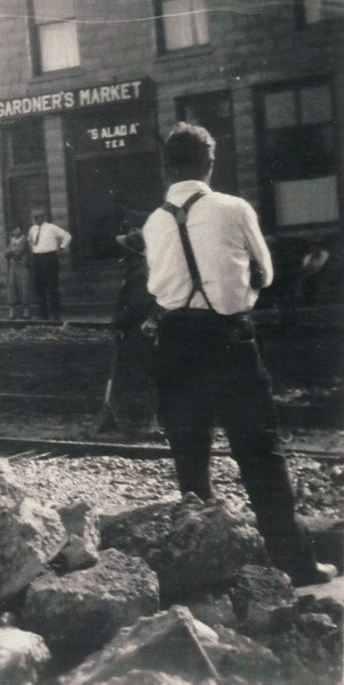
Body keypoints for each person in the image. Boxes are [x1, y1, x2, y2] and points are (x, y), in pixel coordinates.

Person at [142, 122, 335, 586]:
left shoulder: (154, 221)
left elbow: (161, 283)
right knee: (259, 452)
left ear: (168, 167)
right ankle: (294, 562)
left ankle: (207, 564)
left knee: (190, 451)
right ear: (210, 163)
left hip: (173, 345)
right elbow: (265, 274)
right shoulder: (233, 208)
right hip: (227, 341)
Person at [101, 228, 157, 437]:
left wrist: (118, 323)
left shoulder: (140, 274)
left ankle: (144, 423)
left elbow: (136, 307)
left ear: (132, 252)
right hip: (130, 332)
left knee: (140, 376)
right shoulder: (134, 271)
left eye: (125, 249)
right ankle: (131, 420)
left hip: (137, 334)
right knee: (129, 376)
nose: (121, 253)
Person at [28, 208, 71, 321]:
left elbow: (67, 236)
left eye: (39, 217)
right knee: (39, 287)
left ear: (44, 217)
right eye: (35, 218)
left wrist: (61, 248)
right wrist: (34, 249)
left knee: (52, 287)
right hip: (37, 259)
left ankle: (56, 315)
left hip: (49, 258)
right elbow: (30, 241)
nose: (37, 220)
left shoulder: (52, 228)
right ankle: (43, 315)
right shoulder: (32, 229)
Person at [4, 225, 32, 319]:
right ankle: (12, 310)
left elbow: (18, 252)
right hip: (13, 267)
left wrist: (12, 252)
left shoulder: (25, 239)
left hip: (23, 266)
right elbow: (6, 253)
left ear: (20, 229)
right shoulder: (11, 240)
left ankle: (26, 310)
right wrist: (10, 252)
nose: (15, 230)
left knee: (24, 287)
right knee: (12, 286)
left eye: (17, 228)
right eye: (13, 229)